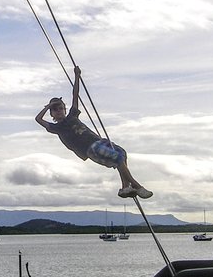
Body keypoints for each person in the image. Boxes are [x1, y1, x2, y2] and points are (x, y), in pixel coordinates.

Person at [35, 66, 152, 199]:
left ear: (65, 109)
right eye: (55, 110)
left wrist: (77, 76)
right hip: (90, 148)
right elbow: (38, 119)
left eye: (61, 108)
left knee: (122, 153)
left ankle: (125, 187)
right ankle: (136, 186)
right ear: (52, 114)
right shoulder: (56, 128)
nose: (59, 111)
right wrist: (49, 106)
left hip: (98, 141)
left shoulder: (72, 116)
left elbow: (75, 95)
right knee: (117, 158)